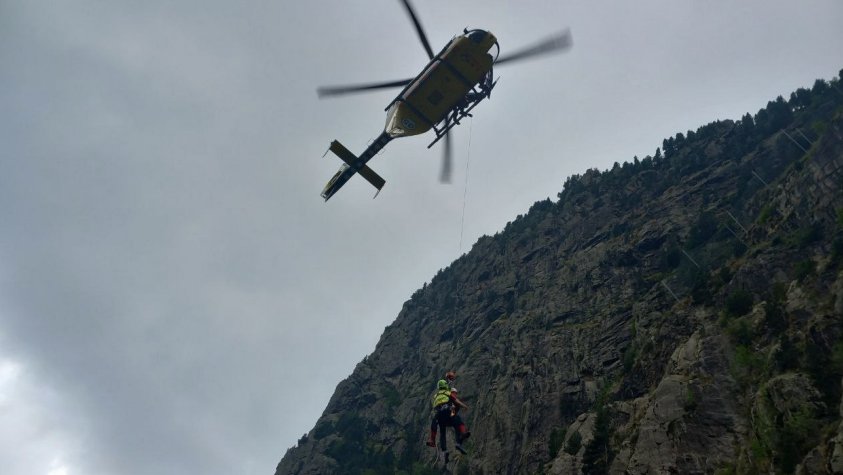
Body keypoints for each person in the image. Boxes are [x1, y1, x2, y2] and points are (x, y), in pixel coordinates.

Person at [425, 373, 471, 457]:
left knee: (442, 431)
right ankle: (461, 437)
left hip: (439, 415)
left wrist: (448, 379)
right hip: (448, 411)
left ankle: (443, 449)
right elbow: (456, 401)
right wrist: (464, 406)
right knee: (457, 421)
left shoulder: (436, 395)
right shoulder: (448, 393)